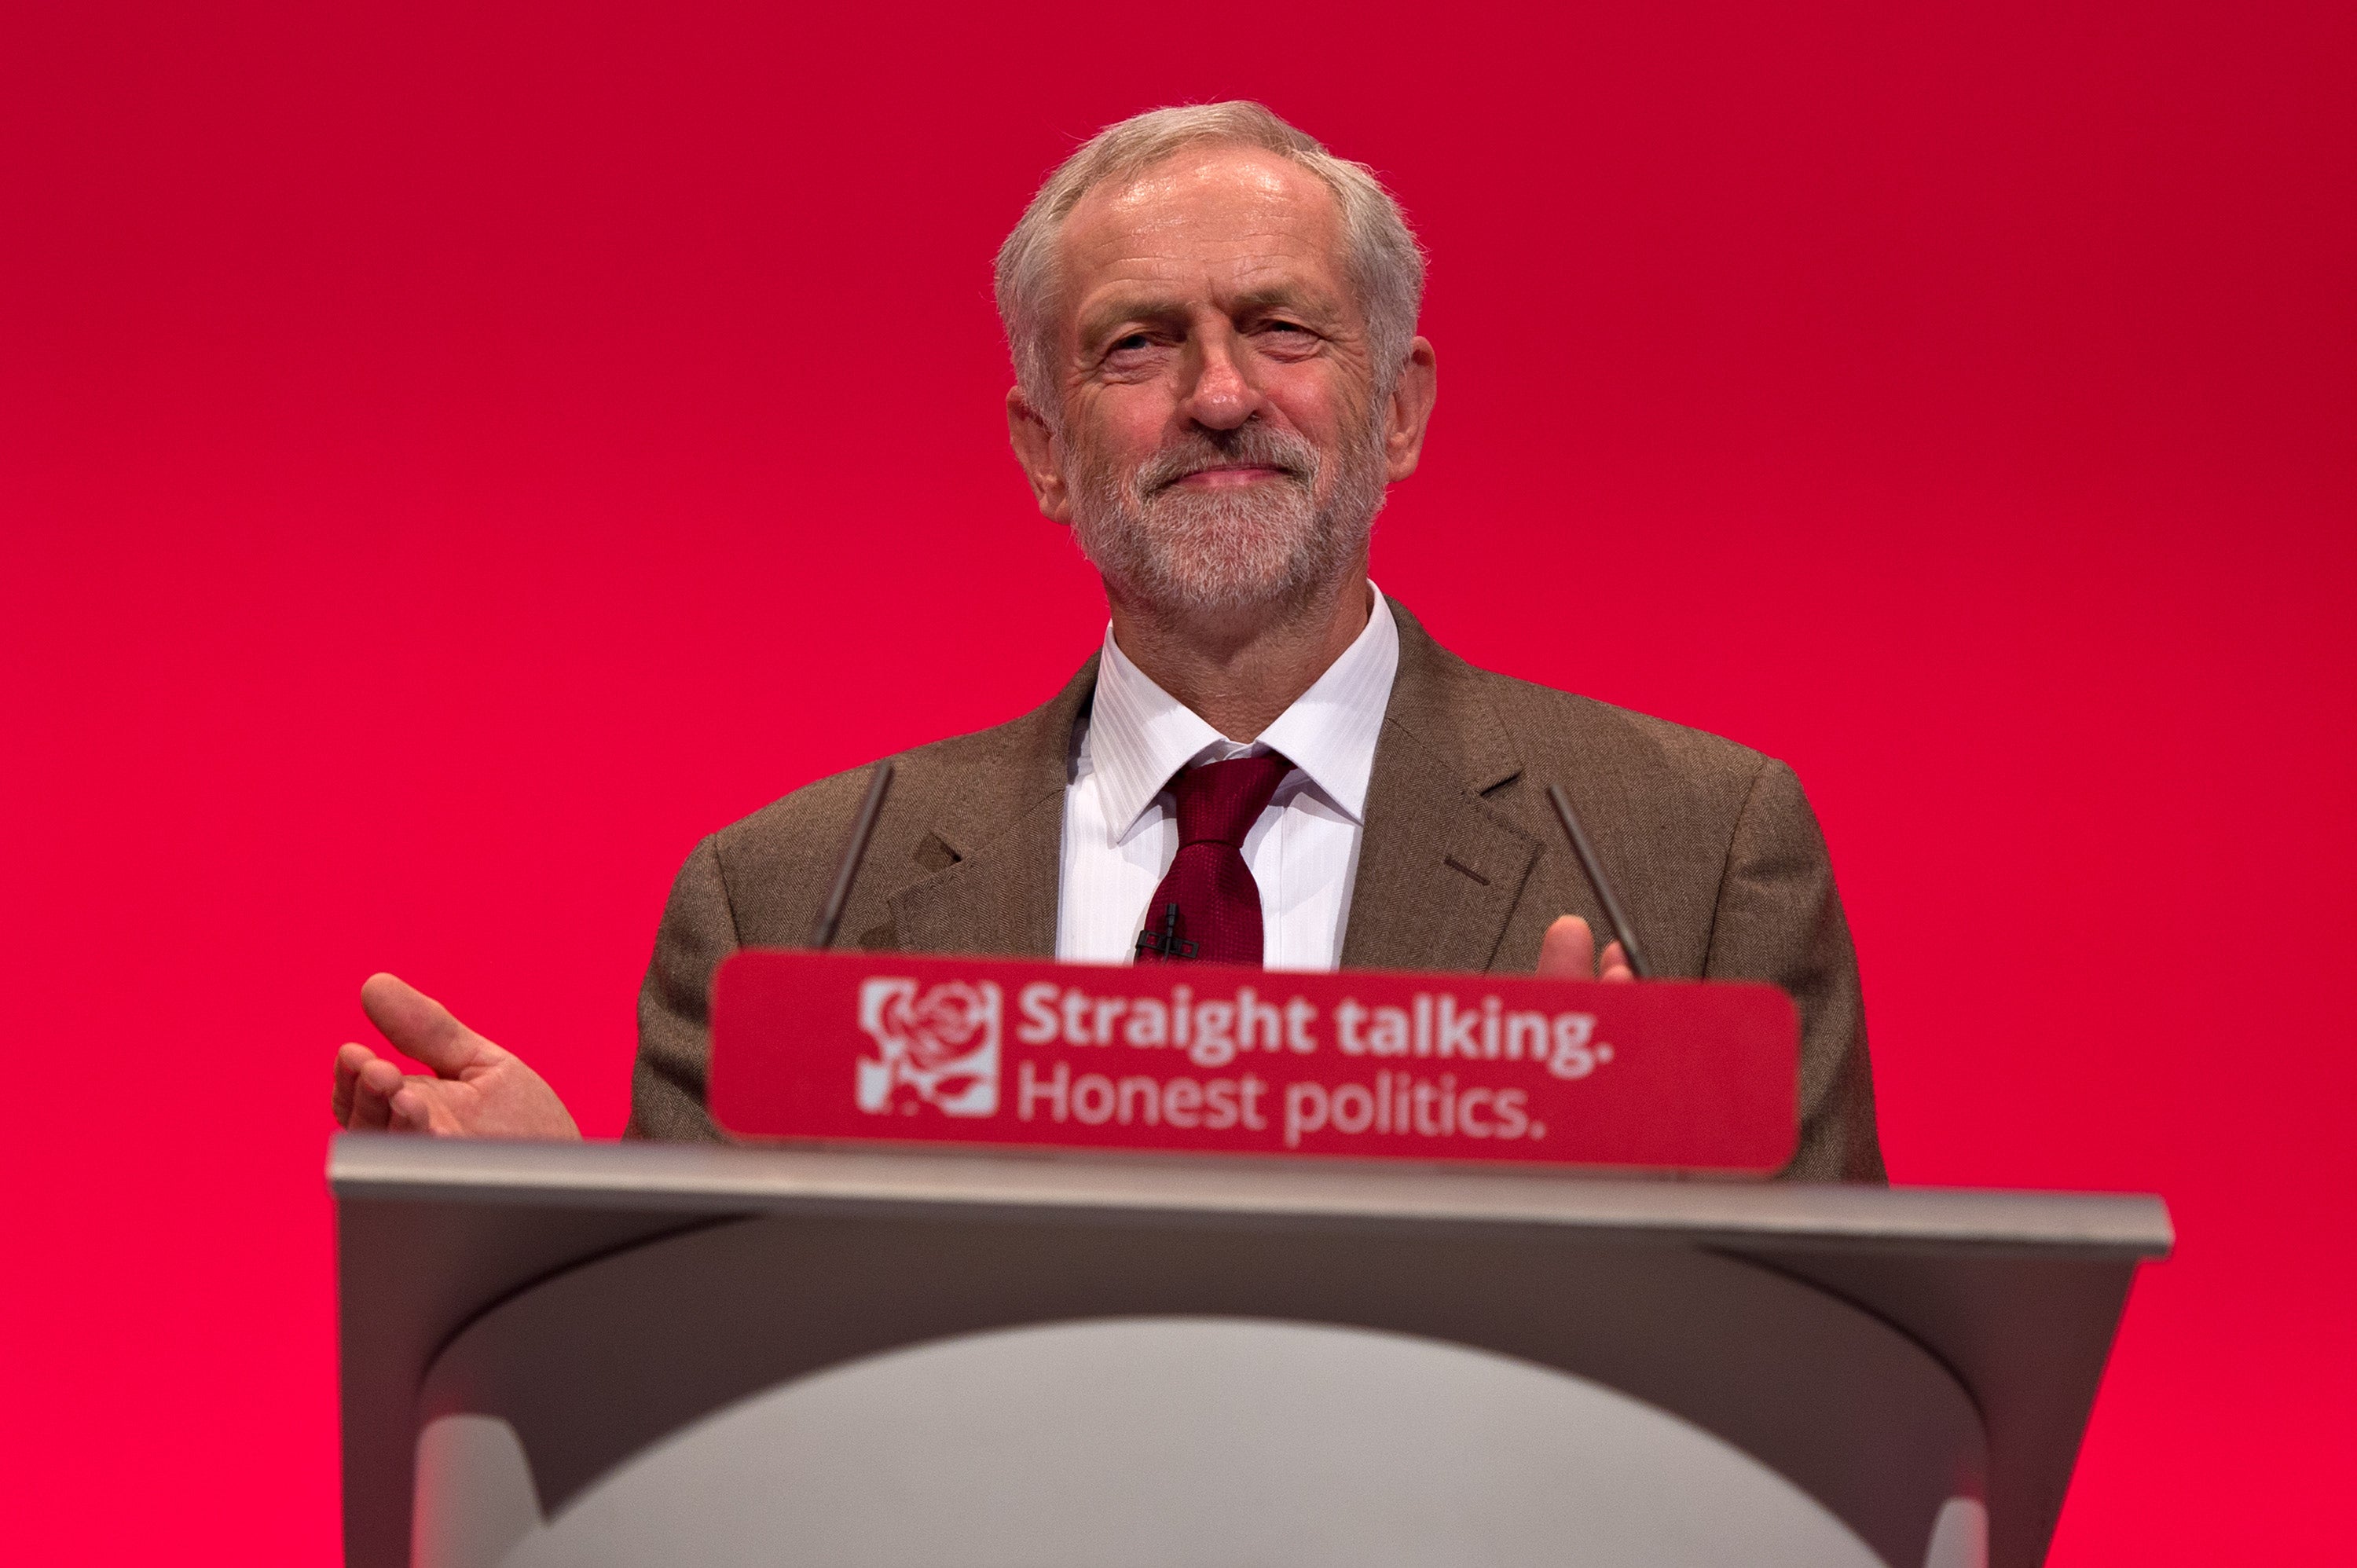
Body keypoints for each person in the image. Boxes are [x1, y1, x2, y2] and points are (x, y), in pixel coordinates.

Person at [332, 102, 1884, 1181]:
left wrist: (1641, 1238)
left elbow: (1840, 1408)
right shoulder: (790, 900)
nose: (1219, 393)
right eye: (1138, 344)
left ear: (1398, 410)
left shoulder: (1690, 853)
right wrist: (565, 1234)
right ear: (1044, 450)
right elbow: (712, 1441)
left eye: (1283, 328)